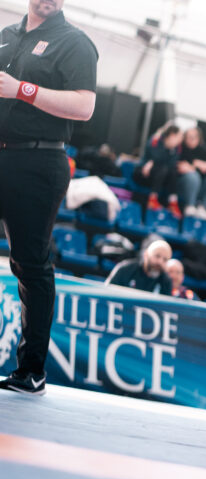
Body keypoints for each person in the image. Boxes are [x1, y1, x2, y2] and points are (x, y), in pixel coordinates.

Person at [0, 0, 98, 396]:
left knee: (31, 264)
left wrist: (22, 90)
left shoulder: (74, 42)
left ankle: (31, 370)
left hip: (39, 160)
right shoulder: (7, 36)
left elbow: (85, 107)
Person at [135, 124, 185, 217]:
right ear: (171, 135)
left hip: (161, 177)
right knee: (163, 168)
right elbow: (156, 158)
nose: (180, 140)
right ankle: (152, 199)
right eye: (178, 137)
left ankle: (173, 202)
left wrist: (170, 150)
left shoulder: (177, 148)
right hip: (144, 174)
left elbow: (172, 164)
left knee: (173, 171)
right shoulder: (156, 140)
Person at [176, 126, 206, 219]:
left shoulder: (205, 150)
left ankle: (202, 208)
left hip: (200, 185)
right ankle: (190, 205)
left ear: (198, 138)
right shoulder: (180, 148)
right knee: (193, 176)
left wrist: (194, 166)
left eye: (193, 137)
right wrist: (196, 166)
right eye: (187, 137)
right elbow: (178, 167)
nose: (189, 140)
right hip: (182, 185)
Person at [106, 239, 173, 295]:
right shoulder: (125, 269)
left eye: (165, 260)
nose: (160, 262)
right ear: (146, 254)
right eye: (157, 256)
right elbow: (107, 292)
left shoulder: (166, 282)